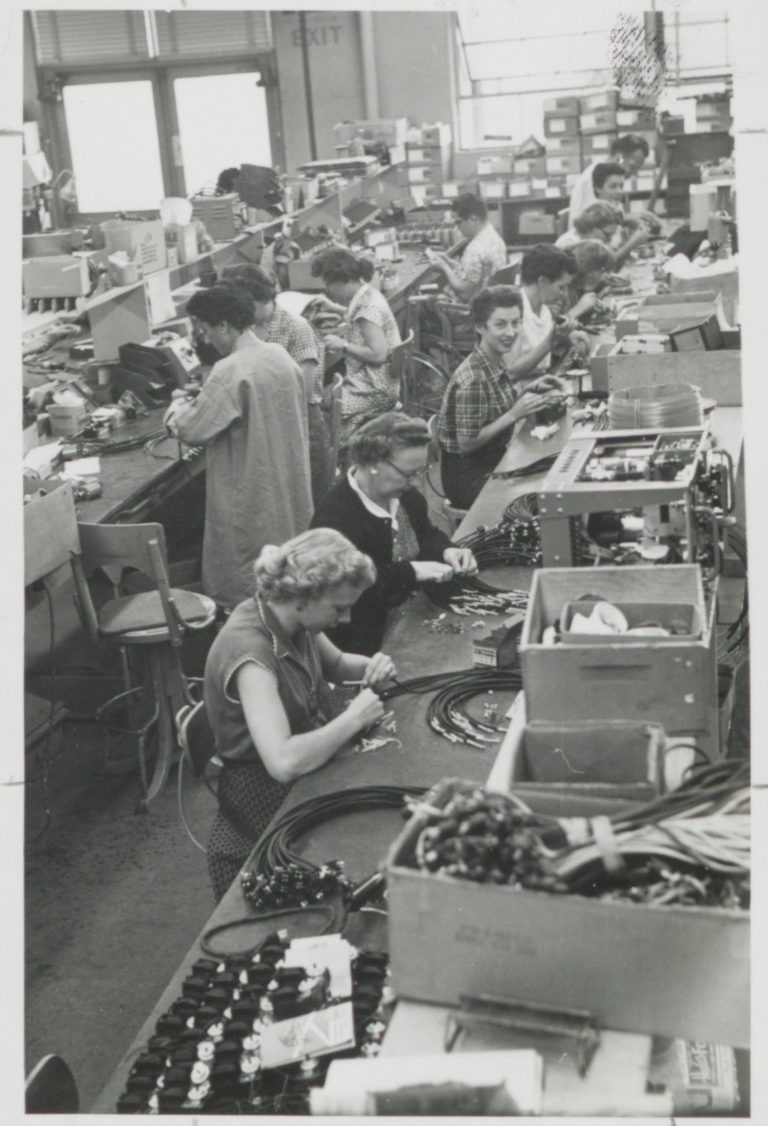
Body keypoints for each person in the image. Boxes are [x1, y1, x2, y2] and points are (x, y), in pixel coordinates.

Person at [203, 529, 396, 899]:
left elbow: (338, 663)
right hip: (261, 801)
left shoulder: (288, 617)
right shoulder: (250, 656)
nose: (345, 619)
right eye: (339, 608)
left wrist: (374, 666)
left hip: (301, 772)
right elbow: (284, 761)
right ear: (303, 598)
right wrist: (354, 717)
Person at [165, 286, 313, 610]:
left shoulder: (230, 369)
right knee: (286, 578)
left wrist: (174, 414)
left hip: (252, 496)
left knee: (246, 580)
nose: (204, 340)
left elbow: (192, 428)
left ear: (224, 326)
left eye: (204, 330)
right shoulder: (279, 355)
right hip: (286, 488)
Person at [311, 413, 478, 655]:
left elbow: (426, 534)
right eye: (409, 474)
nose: (415, 482)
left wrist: (447, 550)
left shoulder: (404, 496)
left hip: (412, 619)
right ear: (372, 464)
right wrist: (411, 572)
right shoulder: (335, 518)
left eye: (422, 471)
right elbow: (349, 588)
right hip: (364, 643)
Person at [437, 286, 566, 510]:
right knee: (547, 495)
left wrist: (529, 390)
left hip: (492, 460)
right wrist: (515, 414)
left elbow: (493, 404)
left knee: (552, 470)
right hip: (468, 478)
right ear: (479, 327)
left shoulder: (493, 358)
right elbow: (466, 443)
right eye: (500, 324)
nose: (510, 332)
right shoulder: (473, 378)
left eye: (516, 323)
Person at [219, 262, 332, 503]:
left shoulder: (296, 329)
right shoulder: (245, 328)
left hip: (300, 431)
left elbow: (300, 394)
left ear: (261, 299)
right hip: (264, 429)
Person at [310, 248, 401, 442]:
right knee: (327, 393)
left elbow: (378, 354)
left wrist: (343, 344)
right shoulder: (368, 294)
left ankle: (337, 449)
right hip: (381, 381)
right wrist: (335, 308)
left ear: (341, 281)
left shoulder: (367, 308)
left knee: (318, 402)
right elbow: (359, 318)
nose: (328, 291)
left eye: (328, 285)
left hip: (376, 390)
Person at [501, 244, 589, 381]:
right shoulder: (513, 313)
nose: (564, 294)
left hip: (538, 383)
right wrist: (551, 342)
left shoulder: (543, 310)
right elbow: (511, 373)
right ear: (542, 281)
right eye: (561, 287)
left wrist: (568, 337)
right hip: (518, 392)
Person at [424, 193, 508, 301]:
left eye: (458, 222)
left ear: (473, 219)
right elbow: (475, 276)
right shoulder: (494, 237)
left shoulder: (475, 249)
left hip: (471, 310)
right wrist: (449, 263)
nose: (457, 227)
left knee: (424, 304)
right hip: (491, 300)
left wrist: (444, 268)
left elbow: (465, 293)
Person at [568, 134, 650, 220]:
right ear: (619, 157)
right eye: (632, 167)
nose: (634, 174)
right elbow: (592, 223)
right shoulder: (593, 176)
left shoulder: (613, 175)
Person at [563, 239, 617, 321]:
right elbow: (549, 329)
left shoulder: (575, 285)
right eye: (602, 270)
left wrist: (590, 307)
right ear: (588, 267)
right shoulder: (561, 288)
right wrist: (579, 308)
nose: (603, 276)